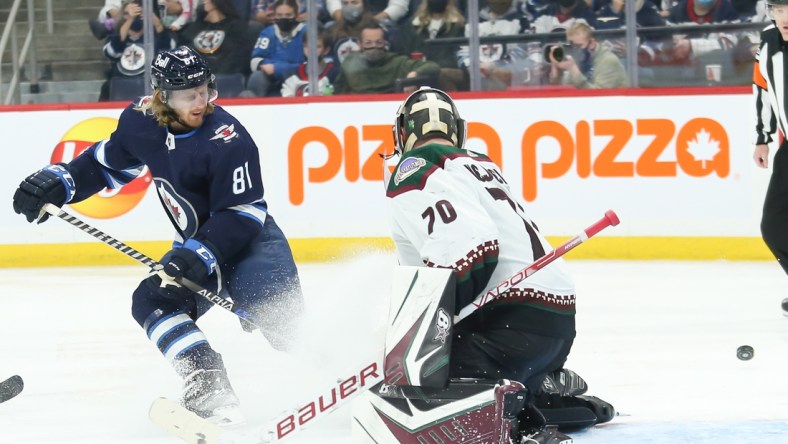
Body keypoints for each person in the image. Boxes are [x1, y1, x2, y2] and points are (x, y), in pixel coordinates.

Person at [12, 46, 305, 424]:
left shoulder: (229, 138)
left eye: (205, 90)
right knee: (152, 302)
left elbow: (242, 213)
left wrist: (195, 253)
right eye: (189, 95)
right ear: (161, 96)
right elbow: (107, 164)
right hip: (200, 245)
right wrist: (61, 182)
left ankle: (364, 371)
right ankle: (208, 384)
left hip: (249, 245)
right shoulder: (141, 121)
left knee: (287, 329)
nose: (201, 101)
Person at [379, 86, 614, 442]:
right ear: (458, 128)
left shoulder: (414, 169)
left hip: (508, 325)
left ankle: (513, 408)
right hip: (556, 325)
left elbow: (475, 249)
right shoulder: (477, 163)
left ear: (401, 131)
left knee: (421, 384)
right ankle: (540, 386)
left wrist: (425, 338)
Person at [753, 0, 788, 278]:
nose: (784, 16)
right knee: (774, 226)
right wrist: (763, 137)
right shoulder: (767, 41)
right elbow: (763, 88)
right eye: (778, 9)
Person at [99, 0, 175, 101]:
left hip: (149, 84)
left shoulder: (154, 38)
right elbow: (112, 52)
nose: (134, 16)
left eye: (138, 13)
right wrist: (130, 20)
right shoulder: (116, 37)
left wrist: (158, 25)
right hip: (121, 83)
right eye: (128, 13)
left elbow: (168, 52)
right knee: (107, 87)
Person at [332, 22, 440, 94]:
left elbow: (433, 66)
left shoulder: (397, 62)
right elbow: (338, 92)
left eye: (378, 42)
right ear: (360, 44)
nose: (374, 46)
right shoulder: (349, 63)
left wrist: (414, 74)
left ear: (385, 43)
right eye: (368, 43)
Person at [245, 0, 306, 96]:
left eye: (288, 15)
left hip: (300, 79)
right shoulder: (268, 32)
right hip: (272, 80)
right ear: (274, 16)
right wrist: (270, 67)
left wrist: (278, 68)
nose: (283, 19)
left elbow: (309, 66)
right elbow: (255, 61)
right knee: (257, 77)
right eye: (280, 15)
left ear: (297, 15)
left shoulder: (306, 32)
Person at [548, 21, 629, 89]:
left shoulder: (608, 61)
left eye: (579, 46)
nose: (576, 50)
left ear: (592, 44)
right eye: (572, 46)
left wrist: (573, 69)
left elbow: (598, 97)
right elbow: (564, 89)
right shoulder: (579, 59)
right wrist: (556, 72)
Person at [178, 0, 249, 76]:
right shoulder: (199, 26)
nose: (204, 2)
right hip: (196, 75)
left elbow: (235, 56)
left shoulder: (235, 26)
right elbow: (186, 50)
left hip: (223, 76)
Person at [280, 26, 339, 96]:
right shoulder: (293, 74)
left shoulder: (335, 73)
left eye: (317, 47)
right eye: (307, 46)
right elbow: (287, 98)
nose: (311, 50)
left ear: (326, 50)